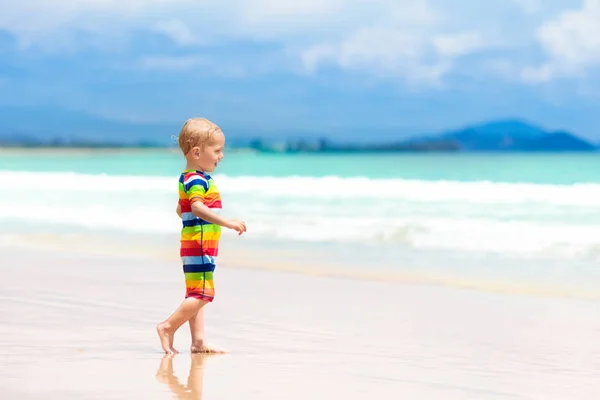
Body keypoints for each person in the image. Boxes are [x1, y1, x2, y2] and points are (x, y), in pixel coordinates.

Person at [157, 117, 247, 354]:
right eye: (217, 150)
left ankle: (198, 342)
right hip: (199, 245)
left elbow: (181, 209)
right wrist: (226, 222)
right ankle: (168, 327)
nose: (221, 156)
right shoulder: (197, 179)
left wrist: (193, 226)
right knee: (204, 294)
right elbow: (196, 207)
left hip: (194, 242)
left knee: (195, 293)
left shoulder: (188, 177)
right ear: (197, 152)